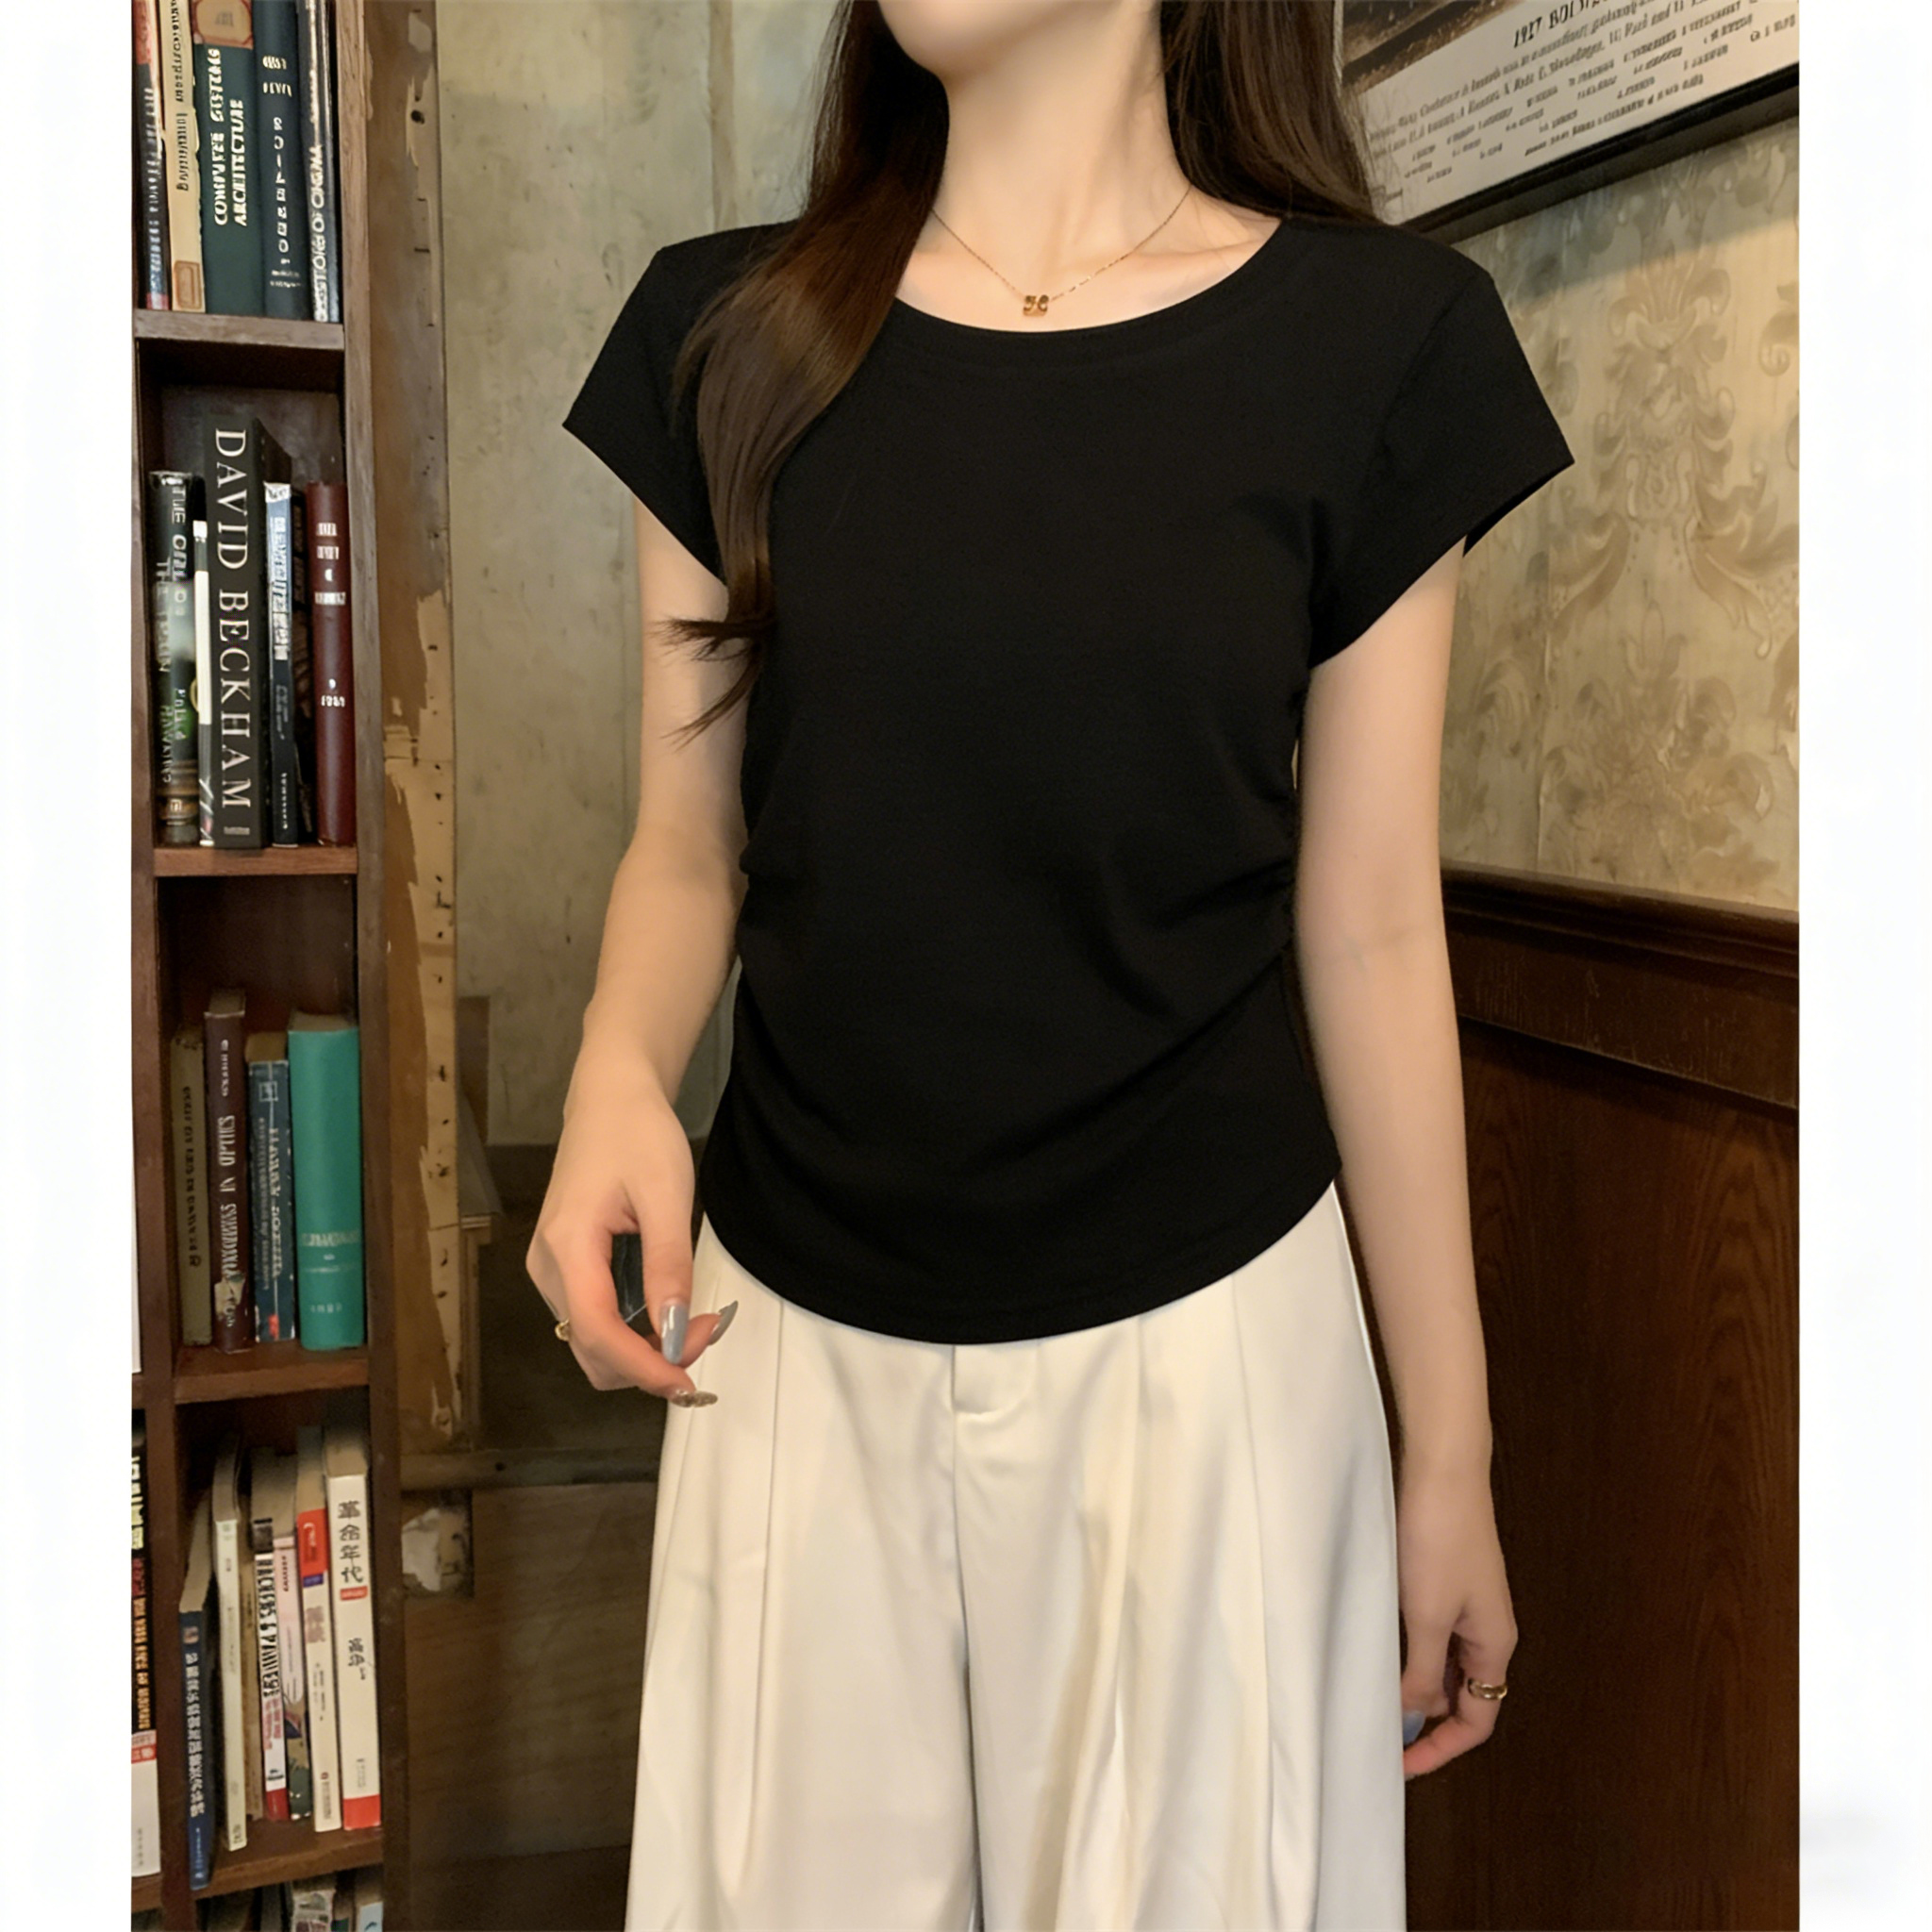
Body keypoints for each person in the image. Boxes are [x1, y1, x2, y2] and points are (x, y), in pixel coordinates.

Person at [535, 2, 1574, 1925]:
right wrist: (614, 1073)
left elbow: (1367, 926)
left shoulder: (1383, 345)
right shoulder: (723, 335)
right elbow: (690, 843)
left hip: (1212, 1366)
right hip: (788, 1353)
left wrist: (1452, 1455)